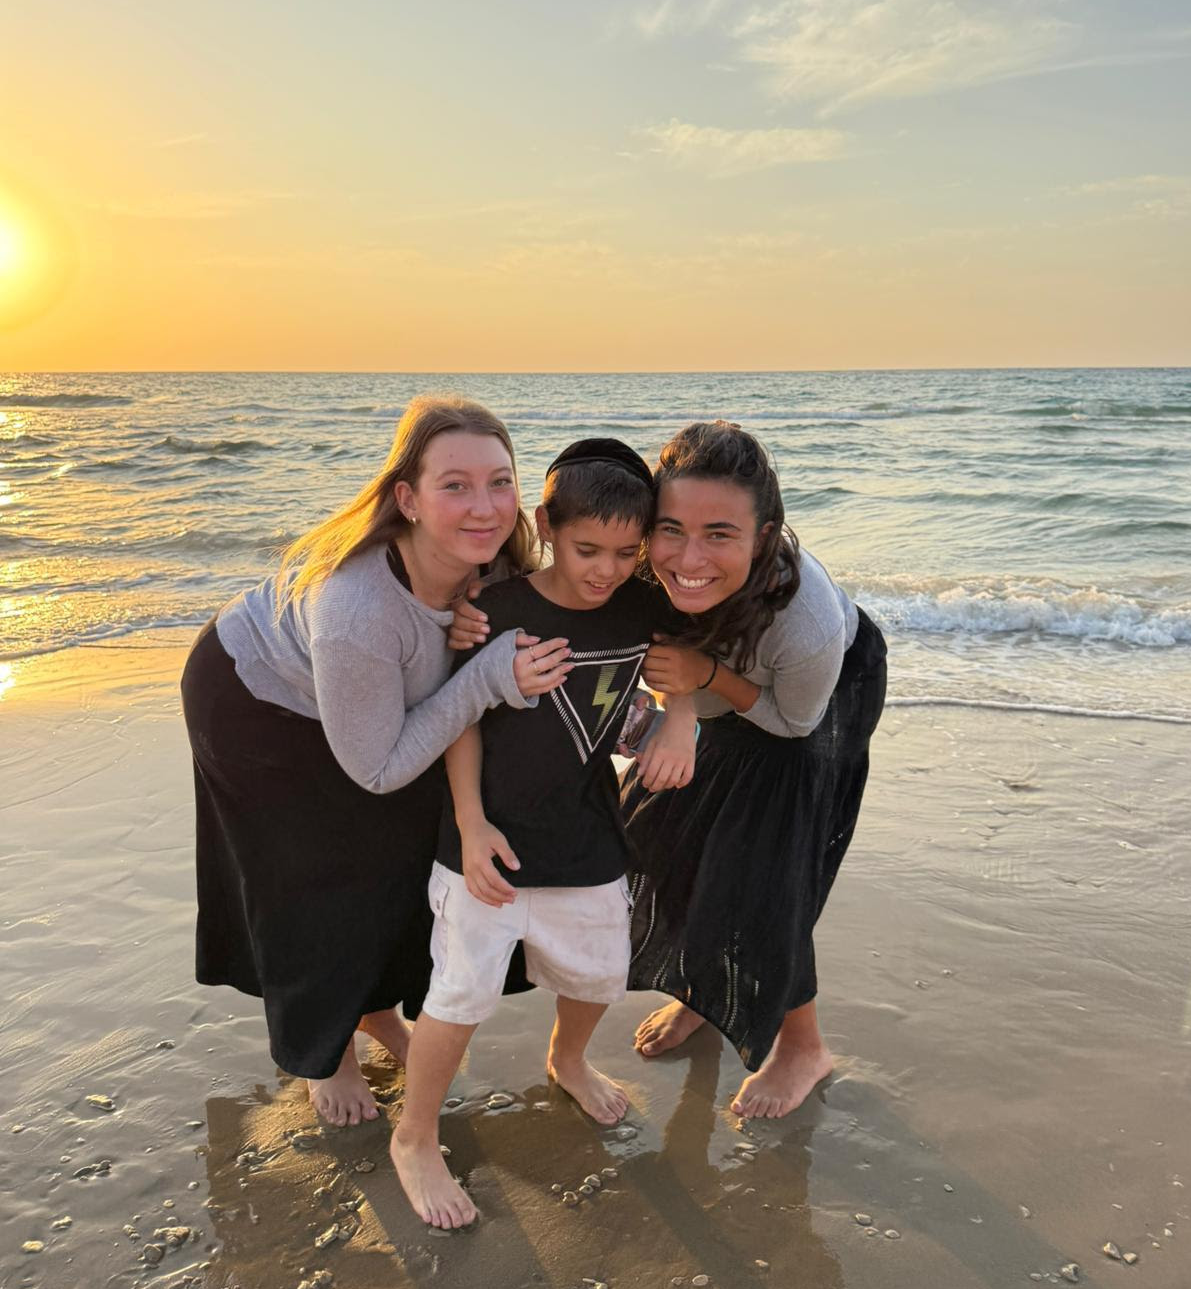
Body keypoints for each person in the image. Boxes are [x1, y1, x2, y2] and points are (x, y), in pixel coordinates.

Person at [180, 395, 572, 1128]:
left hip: (366, 712)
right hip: (255, 700)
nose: (485, 506)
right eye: (455, 485)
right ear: (408, 500)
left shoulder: (493, 564)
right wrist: (484, 678)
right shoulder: (357, 610)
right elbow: (380, 771)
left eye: (500, 482)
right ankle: (325, 1053)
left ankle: (374, 1010)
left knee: (402, 860)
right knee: (316, 878)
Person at [390, 438, 697, 1228]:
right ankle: (414, 1136)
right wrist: (470, 824)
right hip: (487, 839)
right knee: (459, 994)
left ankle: (568, 1059)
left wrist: (680, 722)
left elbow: (683, 669)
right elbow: (461, 720)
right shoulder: (495, 609)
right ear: (546, 526)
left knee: (599, 970)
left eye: (627, 553)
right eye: (587, 549)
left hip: (586, 832)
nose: (606, 570)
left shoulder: (643, 604)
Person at [622, 420, 887, 1120]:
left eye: (720, 534)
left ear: (764, 536)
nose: (689, 557)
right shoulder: (646, 566)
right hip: (718, 690)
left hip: (816, 703)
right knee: (667, 836)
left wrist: (705, 675)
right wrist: (681, 705)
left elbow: (791, 722)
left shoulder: (807, 622)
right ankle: (701, 996)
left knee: (765, 874)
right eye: (671, 529)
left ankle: (803, 1048)